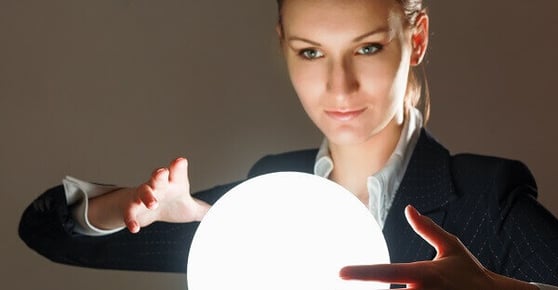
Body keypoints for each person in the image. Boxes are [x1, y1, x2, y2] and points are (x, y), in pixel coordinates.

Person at [18, 0, 558, 289]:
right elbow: (48, 233)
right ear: (283, 45)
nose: (339, 86)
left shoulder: (484, 202)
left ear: (414, 40)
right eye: (310, 52)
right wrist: (132, 205)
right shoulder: (262, 211)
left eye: (367, 48)